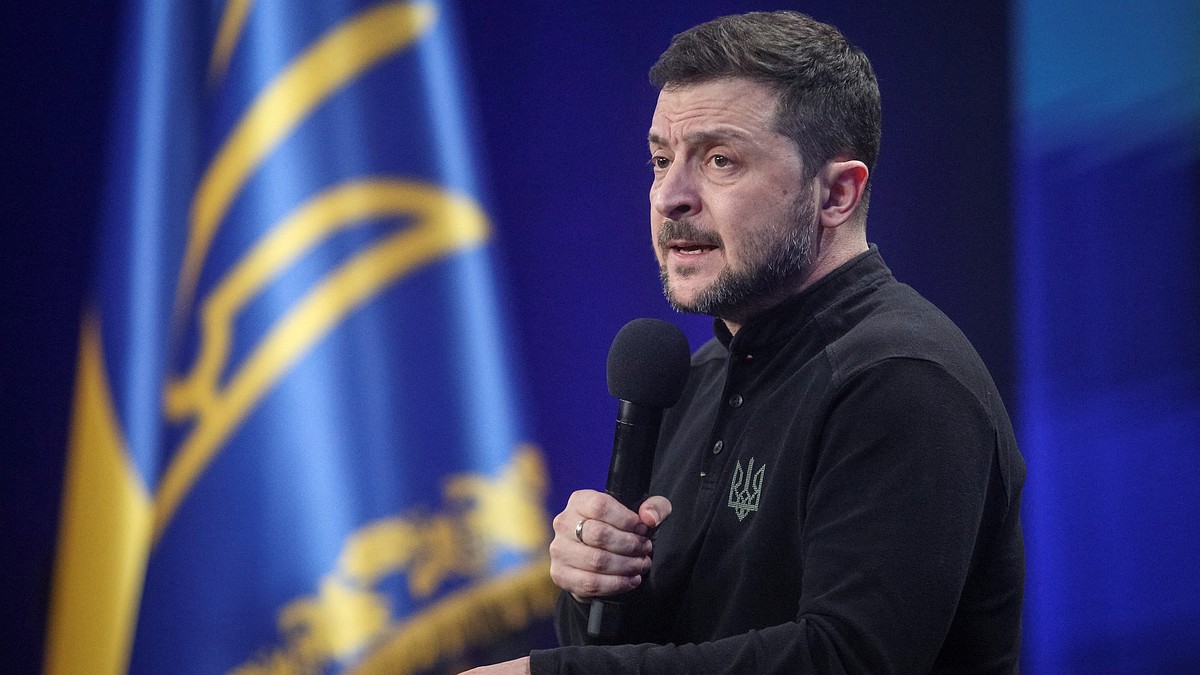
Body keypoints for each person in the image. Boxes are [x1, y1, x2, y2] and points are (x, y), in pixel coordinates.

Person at [469, 10, 1024, 674]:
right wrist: (596, 582)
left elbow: (844, 659)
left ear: (836, 194)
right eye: (661, 160)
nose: (670, 197)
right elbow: (657, 643)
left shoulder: (903, 378)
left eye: (719, 160)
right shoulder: (694, 380)